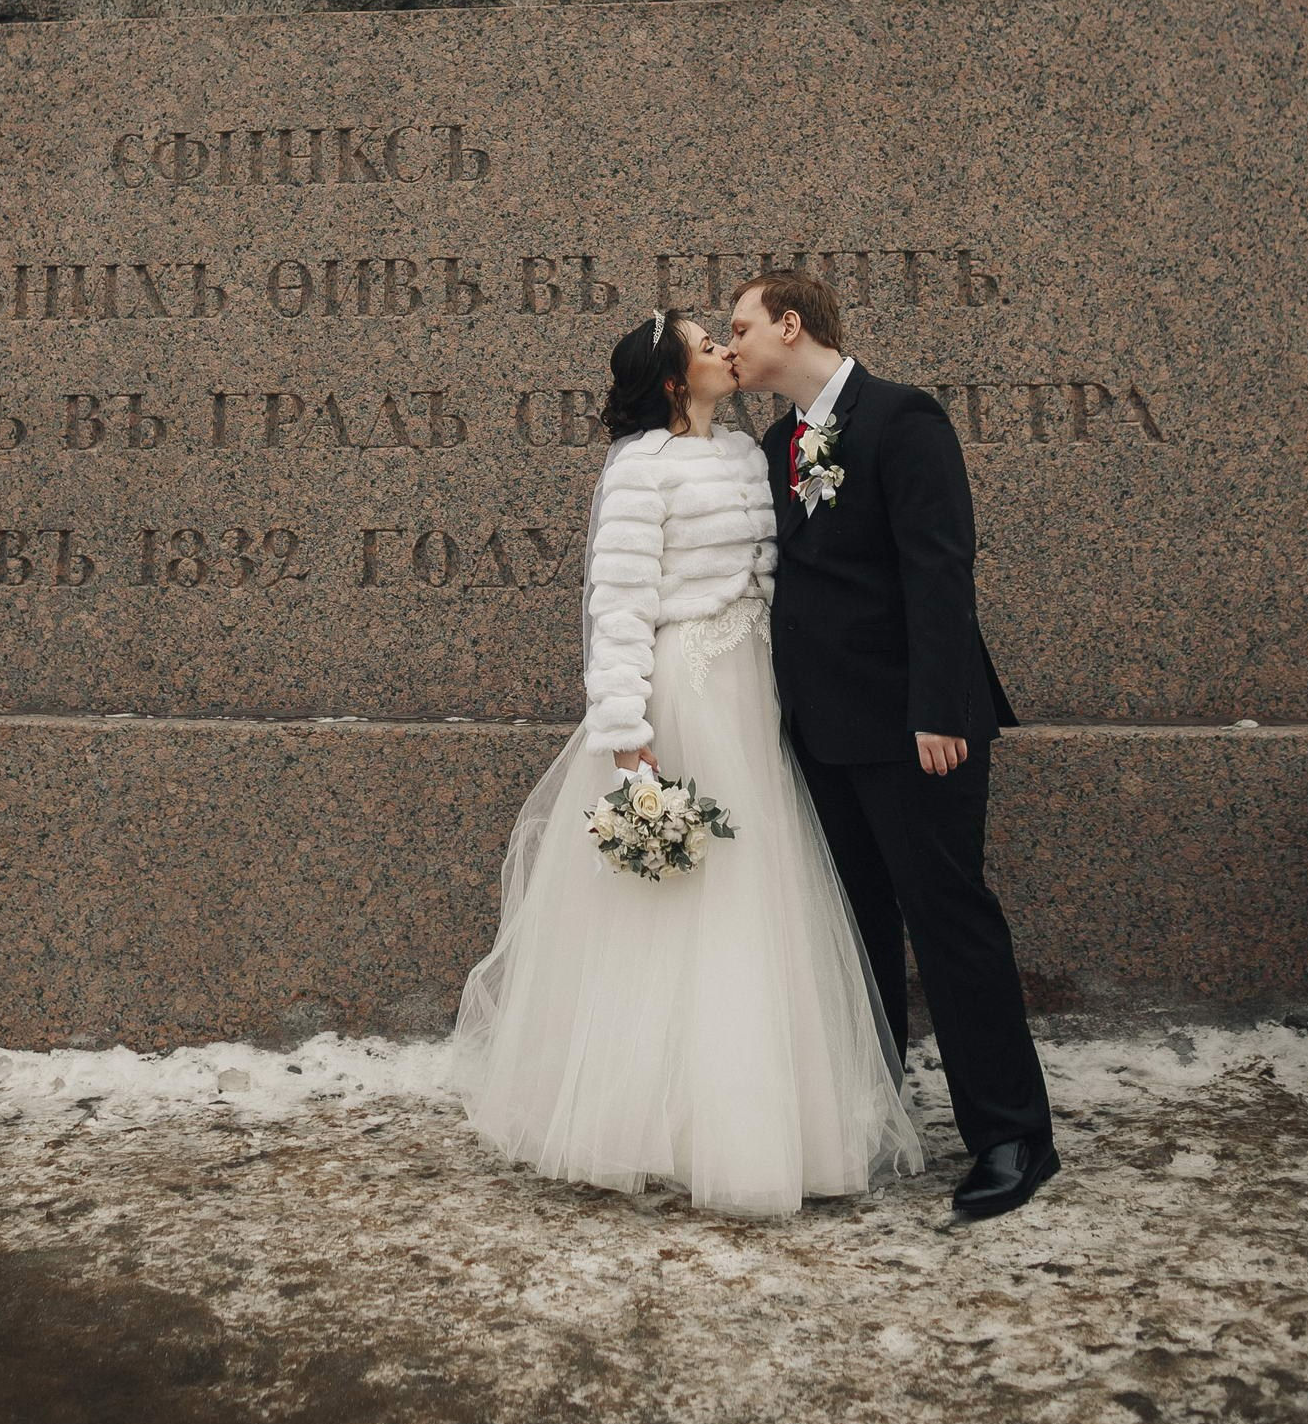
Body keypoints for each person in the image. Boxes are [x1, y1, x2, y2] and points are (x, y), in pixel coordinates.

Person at [451, 310, 923, 1218]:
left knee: (761, 890)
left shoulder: (754, 454)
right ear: (673, 380)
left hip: (758, 692)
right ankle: (652, 1125)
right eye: (706, 345)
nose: (723, 351)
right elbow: (619, 604)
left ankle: (767, 1114)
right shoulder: (640, 470)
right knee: (681, 900)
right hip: (686, 691)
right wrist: (628, 737)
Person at [728, 273, 1059, 1222]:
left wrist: (941, 710)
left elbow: (940, 567)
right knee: (857, 927)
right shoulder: (782, 440)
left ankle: (1011, 1138)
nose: (733, 343)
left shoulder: (903, 419)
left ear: (792, 325)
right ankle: (875, 1117)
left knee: (948, 920)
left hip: (919, 732)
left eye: (742, 326)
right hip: (824, 732)